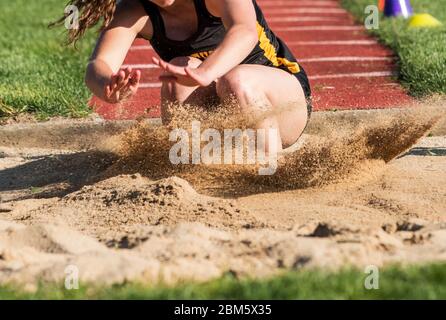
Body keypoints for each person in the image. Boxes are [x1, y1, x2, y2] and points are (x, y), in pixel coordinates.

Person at [58, 0, 312, 152]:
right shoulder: (134, 10)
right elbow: (98, 64)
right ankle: (189, 167)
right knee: (176, 80)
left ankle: (270, 169)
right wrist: (107, 85)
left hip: (281, 105)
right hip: (220, 119)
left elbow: (245, 31)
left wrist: (206, 72)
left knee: (235, 80)